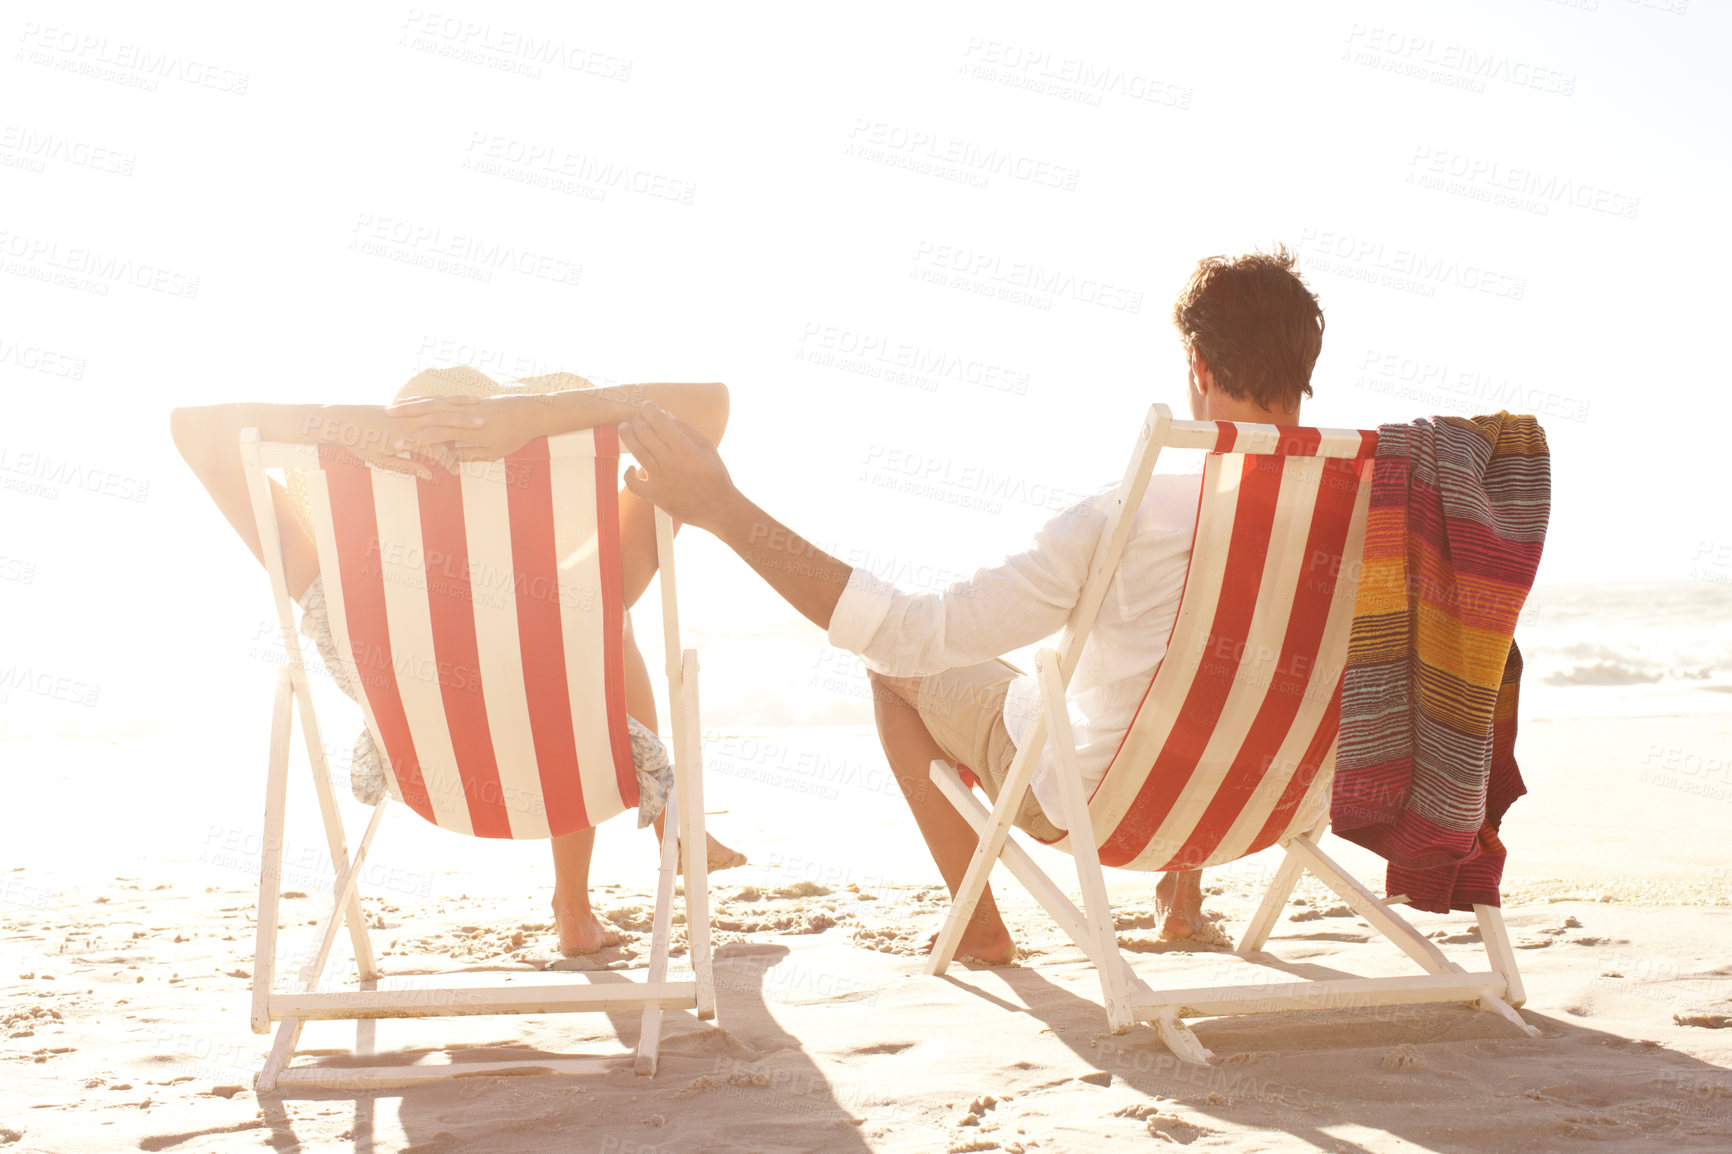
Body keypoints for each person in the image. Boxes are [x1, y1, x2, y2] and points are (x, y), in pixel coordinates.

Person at [610, 247, 1326, 964]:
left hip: (1112, 811)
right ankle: (1182, 899)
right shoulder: (1371, 516)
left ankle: (980, 927)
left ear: (1197, 366)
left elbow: (910, 636)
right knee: (1225, 661)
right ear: (1305, 364)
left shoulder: (1133, 515)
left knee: (895, 673)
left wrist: (722, 508)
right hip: (1277, 805)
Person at [170, 367, 747, 956]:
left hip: (430, 780)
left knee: (583, 654)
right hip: (575, 775)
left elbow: (193, 430)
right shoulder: (585, 579)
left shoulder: (336, 591)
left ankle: (588, 898)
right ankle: (594, 888)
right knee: (594, 648)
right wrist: (536, 417)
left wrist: (344, 424)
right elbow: (708, 408)